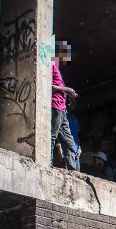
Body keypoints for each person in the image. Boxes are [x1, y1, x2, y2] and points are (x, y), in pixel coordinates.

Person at [50, 41, 80, 171]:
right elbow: (48, 85)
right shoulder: (50, 65)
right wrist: (67, 89)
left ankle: (73, 169)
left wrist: (68, 93)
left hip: (63, 109)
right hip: (55, 106)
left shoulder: (57, 68)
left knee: (69, 141)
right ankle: (47, 163)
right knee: (52, 135)